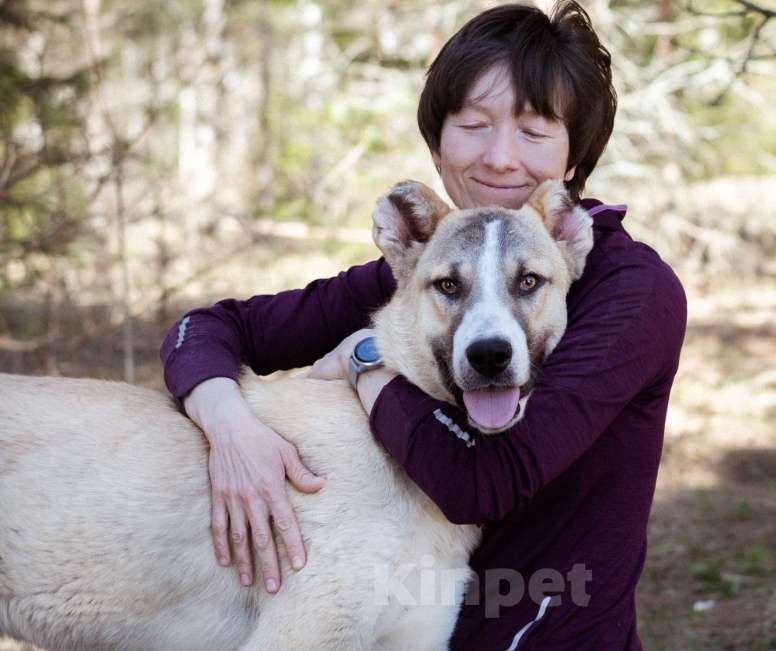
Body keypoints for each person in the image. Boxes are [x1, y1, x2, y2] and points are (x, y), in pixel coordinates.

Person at [160, 2, 686, 648]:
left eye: (533, 130)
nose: (499, 158)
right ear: (438, 148)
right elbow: (208, 328)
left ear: (574, 158)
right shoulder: (419, 271)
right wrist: (230, 426)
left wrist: (369, 360)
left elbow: (484, 480)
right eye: (473, 125)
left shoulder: (633, 291)